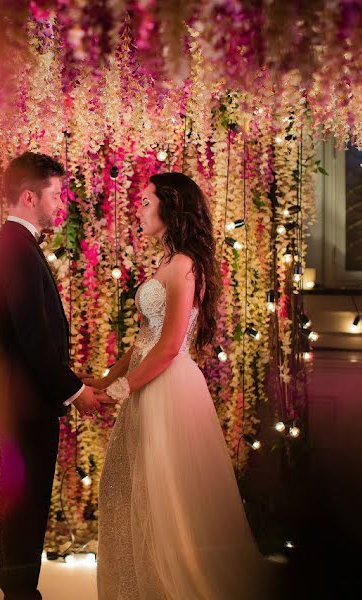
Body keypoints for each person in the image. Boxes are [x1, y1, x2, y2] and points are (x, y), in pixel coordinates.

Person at [89, 172, 272, 599]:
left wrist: (122, 389)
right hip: (146, 384)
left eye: (146, 201)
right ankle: (139, 585)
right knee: (127, 485)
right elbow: (143, 339)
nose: (139, 208)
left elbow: (170, 346)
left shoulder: (186, 265)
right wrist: (105, 378)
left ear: (171, 207)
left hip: (167, 387)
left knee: (162, 495)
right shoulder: (167, 262)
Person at [0, 151, 108, 600]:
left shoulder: (18, 246)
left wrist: (79, 380)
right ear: (28, 196)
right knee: (24, 505)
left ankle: (20, 592)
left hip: (25, 398)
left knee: (26, 503)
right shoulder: (15, 249)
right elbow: (33, 338)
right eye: (56, 194)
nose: (61, 203)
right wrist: (77, 392)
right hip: (24, 401)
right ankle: (19, 594)